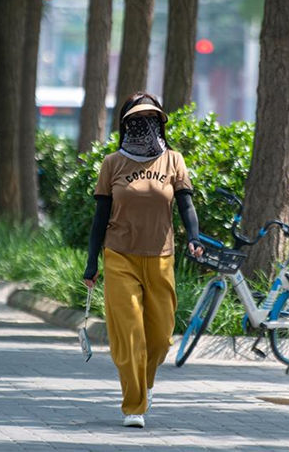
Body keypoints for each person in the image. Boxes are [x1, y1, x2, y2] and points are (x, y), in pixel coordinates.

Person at [82, 92, 203, 429]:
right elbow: (100, 217)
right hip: (119, 256)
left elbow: (186, 204)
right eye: (136, 120)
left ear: (159, 123)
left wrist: (194, 238)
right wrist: (91, 263)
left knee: (161, 338)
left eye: (150, 119)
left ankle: (145, 383)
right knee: (131, 333)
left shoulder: (173, 160)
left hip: (161, 257)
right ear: (126, 124)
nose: (143, 125)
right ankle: (134, 405)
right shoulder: (112, 163)